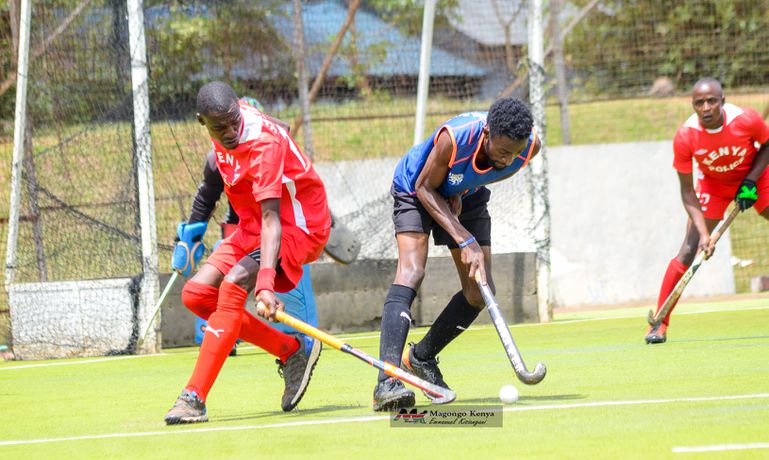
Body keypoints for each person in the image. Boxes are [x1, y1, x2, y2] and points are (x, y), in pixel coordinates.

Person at [164, 81, 331, 424]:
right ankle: (291, 351)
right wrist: (192, 233)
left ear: (238, 111)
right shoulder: (227, 123)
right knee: (197, 295)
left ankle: (194, 397)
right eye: (219, 127)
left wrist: (265, 284)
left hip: (298, 227)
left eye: (234, 123)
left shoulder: (263, 144)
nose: (230, 132)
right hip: (252, 226)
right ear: (202, 122)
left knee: (233, 285)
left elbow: (272, 219)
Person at [372, 98, 541, 411]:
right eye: (503, 151)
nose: (508, 159)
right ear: (487, 133)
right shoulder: (456, 138)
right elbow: (425, 187)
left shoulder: (529, 148)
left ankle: (421, 358)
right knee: (411, 271)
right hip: (416, 186)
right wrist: (465, 239)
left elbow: (495, 171)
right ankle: (387, 381)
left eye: (514, 153)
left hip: (466, 193)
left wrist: (459, 190)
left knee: (479, 291)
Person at [645, 78, 769, 344]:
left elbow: (767, 145)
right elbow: (687, 192)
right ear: (693, 105)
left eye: (712, 101)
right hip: (713, 186)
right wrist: (704, 234)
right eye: (699, 103)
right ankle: (659, 324)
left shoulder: (746, 119)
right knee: (689, 249)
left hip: (755, 177)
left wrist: (750, 181)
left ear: (722, 101)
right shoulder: (686, 136)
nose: (706, 107)